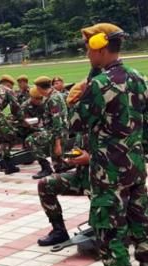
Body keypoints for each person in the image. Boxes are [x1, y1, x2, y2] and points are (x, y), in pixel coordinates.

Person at [71, 23, 148, 266]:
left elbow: (76, 123)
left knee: (108, 228)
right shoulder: (140, 78)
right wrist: (138, 155)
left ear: (99, 46)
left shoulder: (100, 84)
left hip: (109, 170)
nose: (86, 52)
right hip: (135, 166)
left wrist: (75, 98)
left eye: (88, 47)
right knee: (141, 223)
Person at [36, 82, 92, 247]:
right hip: (84, 175)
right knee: (45, 184)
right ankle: (59, 231)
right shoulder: (85, 124)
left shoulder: (109, 123)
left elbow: (123, 154)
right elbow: (82, 149)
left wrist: (90, 159)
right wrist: (71, 156)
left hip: (104, 179)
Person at [29, 76, 69, 179]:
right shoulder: (54, 95)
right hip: (55, 131)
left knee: (31, 140)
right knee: (58, 164)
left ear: (39, 88)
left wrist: (58, 144)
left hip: (56, 132)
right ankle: (61, 171)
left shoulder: (53, 99)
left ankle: (46, 168)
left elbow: (57, 122)